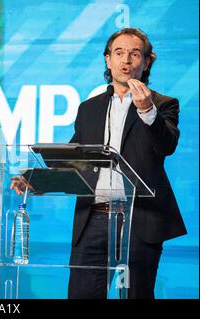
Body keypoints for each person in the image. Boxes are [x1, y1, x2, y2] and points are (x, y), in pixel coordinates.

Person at [66, 27, 187, 299]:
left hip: (139, 220)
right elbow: (76, 157)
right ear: (108, 60)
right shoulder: (89, 108)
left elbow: (167, 146)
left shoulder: (164, 104)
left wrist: (146, 110)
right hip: (93, 219)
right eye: (119, 53)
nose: (126, 60)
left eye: (135, 54)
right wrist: (36, 178)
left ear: (146, 62)